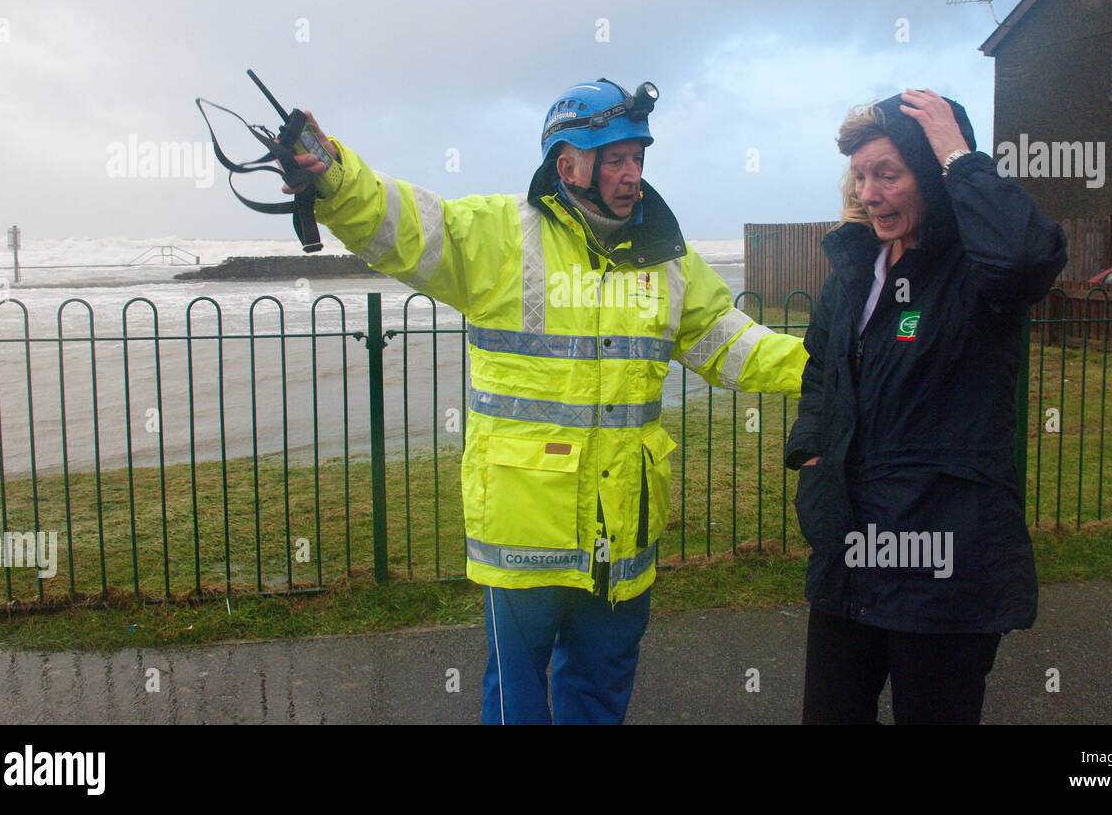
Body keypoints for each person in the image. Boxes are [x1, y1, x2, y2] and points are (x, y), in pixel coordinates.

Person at [285, 78, 808, 724]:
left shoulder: (668, 262)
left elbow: (737, 345)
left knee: (599, 694)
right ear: (567, 165)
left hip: (621, 532)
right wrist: (335, 176)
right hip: (525, 530)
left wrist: (834, 368)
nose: (631, 175)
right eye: (614, 158)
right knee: (518, 699)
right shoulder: (501, 235)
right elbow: (404, 224)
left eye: (638, 158)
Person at [785, 88, 1067, 724]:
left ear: (934, 178)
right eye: (860, 176)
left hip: (945, 560)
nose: (869, 193)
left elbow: (1027, 257)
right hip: (850, 554)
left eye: (889, 173)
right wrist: (811, 456)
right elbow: (822, 378)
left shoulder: (973, 272)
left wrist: (960, 156)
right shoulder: (856, 267)